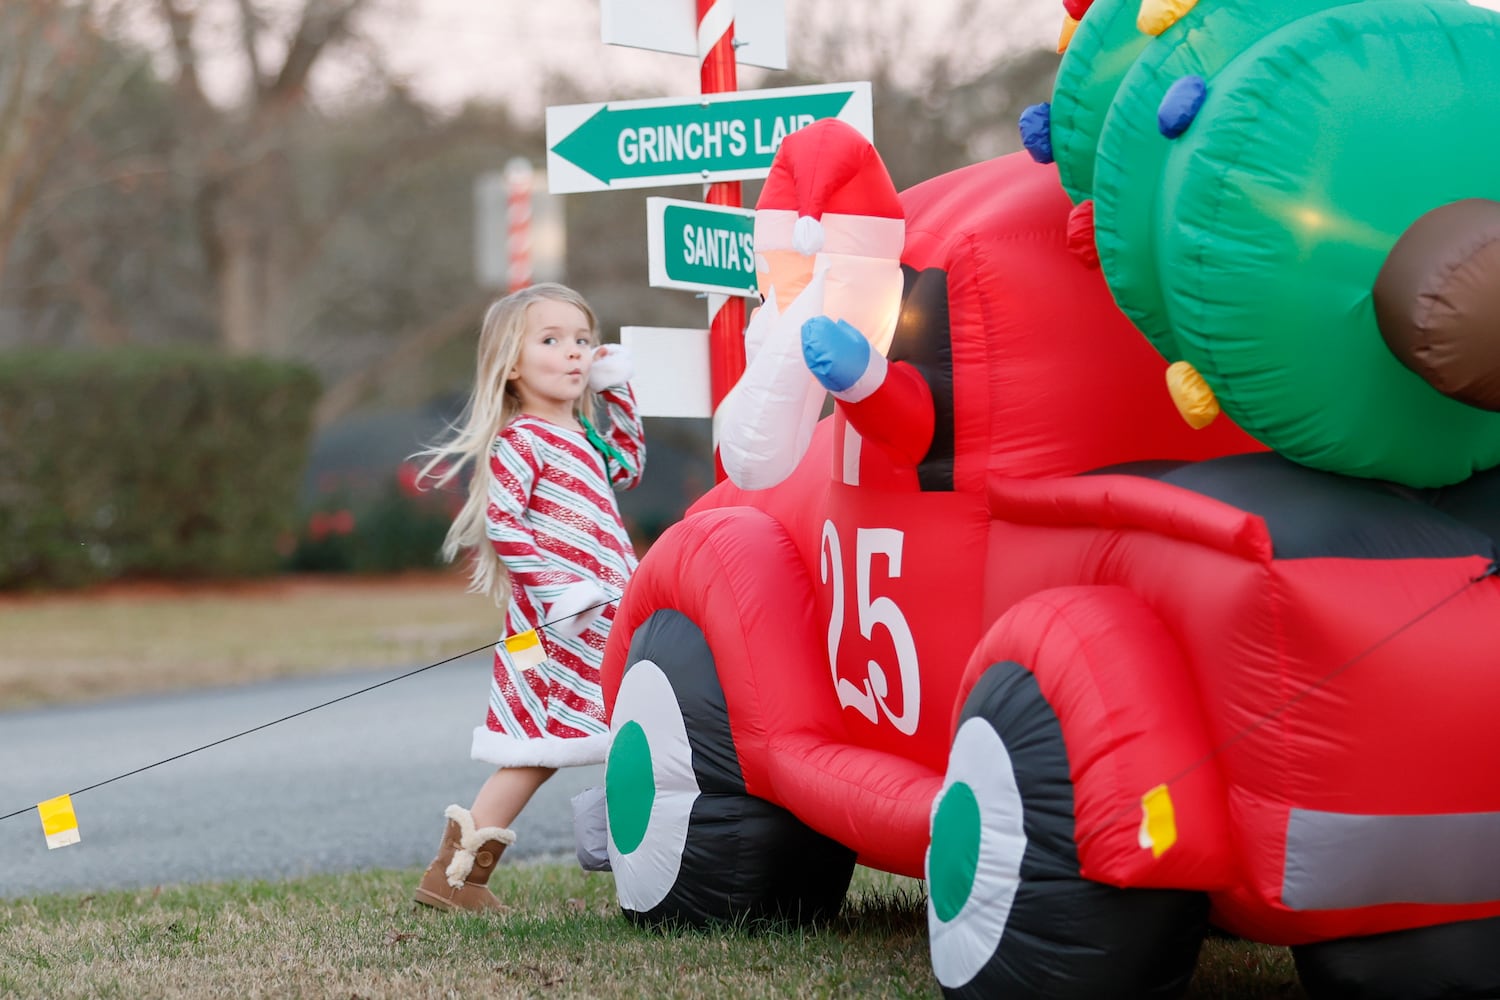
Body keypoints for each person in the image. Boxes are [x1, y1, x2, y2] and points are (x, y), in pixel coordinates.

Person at [409, 282, 644, 912]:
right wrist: (555, 593)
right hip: (541, 632)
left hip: (595, 620)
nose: (574, 354)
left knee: (617, 728)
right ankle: (452, 879)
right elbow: (503, 523)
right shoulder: (522, 439)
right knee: (534, 744)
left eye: (582, 340)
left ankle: (630, 855)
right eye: (552, 340)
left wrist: (616, 388)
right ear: (512, 365)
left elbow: (628, 465)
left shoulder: (583, 436)